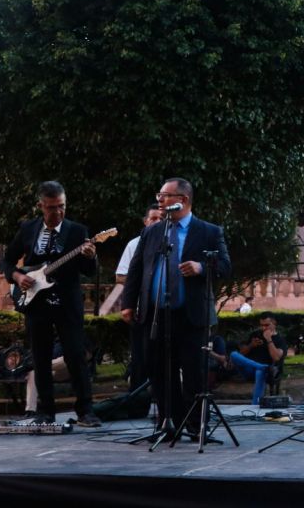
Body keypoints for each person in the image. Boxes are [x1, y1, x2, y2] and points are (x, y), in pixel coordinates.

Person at [121, 177, 231, 438]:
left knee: (193, 372)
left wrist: (201, 267)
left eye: (165, 195)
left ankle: (194, 426)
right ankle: (169, 423)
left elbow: (226, 266)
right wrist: (128, 303)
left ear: (182, 200)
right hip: (156, 313)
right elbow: (137, 269)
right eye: (159, 195)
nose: (160, 199)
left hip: (190, 314)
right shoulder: (153, 231)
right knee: (158, 369)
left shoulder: (209, 231)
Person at [3, 181, 101, 427]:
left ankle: (85, 411)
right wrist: (18, 277)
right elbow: (7, 262)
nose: (57, 212)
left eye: (61, 206)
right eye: (51, 207)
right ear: (40, 206)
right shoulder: (27, 229)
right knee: (40, 357)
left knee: (76, 355)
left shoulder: (77, 231)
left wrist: (91, 256)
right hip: (36, 302)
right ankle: (45, 411)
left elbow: (88, 270)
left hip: (67, 302)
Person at [114, 204, 164, 389]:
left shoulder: (172, 240)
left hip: (164, 308)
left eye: (161, 219)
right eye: (153, 219)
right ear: (145, 222)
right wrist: (144, 282)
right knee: (140, 356)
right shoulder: (135, 243)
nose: (157, 222)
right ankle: (137, 399)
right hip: (141, 309)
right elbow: (120, 276)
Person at [228, 312, 288, 404]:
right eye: (262, 325)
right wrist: (251, 345)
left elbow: (276, 358)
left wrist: (269, 339)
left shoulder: (280, 340)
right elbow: (241, 354)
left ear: (274, 323)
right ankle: (261, 366)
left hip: (269, 372)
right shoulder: (255, 335)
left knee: (260, 372)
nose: (264, 328)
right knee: (233, 354)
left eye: (267, 325)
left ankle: (255, 405)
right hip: (250, 369)